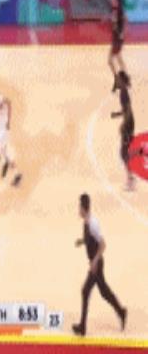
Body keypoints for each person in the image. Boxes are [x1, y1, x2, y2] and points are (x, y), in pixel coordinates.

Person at [72, 193, 127, 336]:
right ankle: (121, 311)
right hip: (95, 264)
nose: (78, 209)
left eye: (79, 207)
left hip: (97, 264)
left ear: (83, 208)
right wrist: (82, 241)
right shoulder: (86, 222)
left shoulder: (93, 224)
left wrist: (95, 262)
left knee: (85, 291)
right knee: (104, 292)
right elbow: (90, 240)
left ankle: (83, 327)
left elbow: (103, 244)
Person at [111, 71, 135, 191]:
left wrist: (124, 124)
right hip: (129, 123)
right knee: (125, 152)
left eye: (118, 80)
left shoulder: (123, 93)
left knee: (124, 153)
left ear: (121, 80)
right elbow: (126, 110)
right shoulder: (124, 91)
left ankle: (131, 180)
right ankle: (131, 178)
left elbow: (128, 111)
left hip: (128, 124)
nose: (116, 82)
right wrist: (117, 114)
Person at [108, 0, 127, 92]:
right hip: (115, 38)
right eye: (111, 0)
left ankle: (118, 79)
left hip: (118, 38)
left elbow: (125, 20)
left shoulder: (120, 10)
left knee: (110, 60)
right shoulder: (113, 11)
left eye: (113, 0)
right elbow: (113, 24)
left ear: (117, 1)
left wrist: (123, 32)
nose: (112, 1)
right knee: (119, 58)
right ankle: (124, 78)